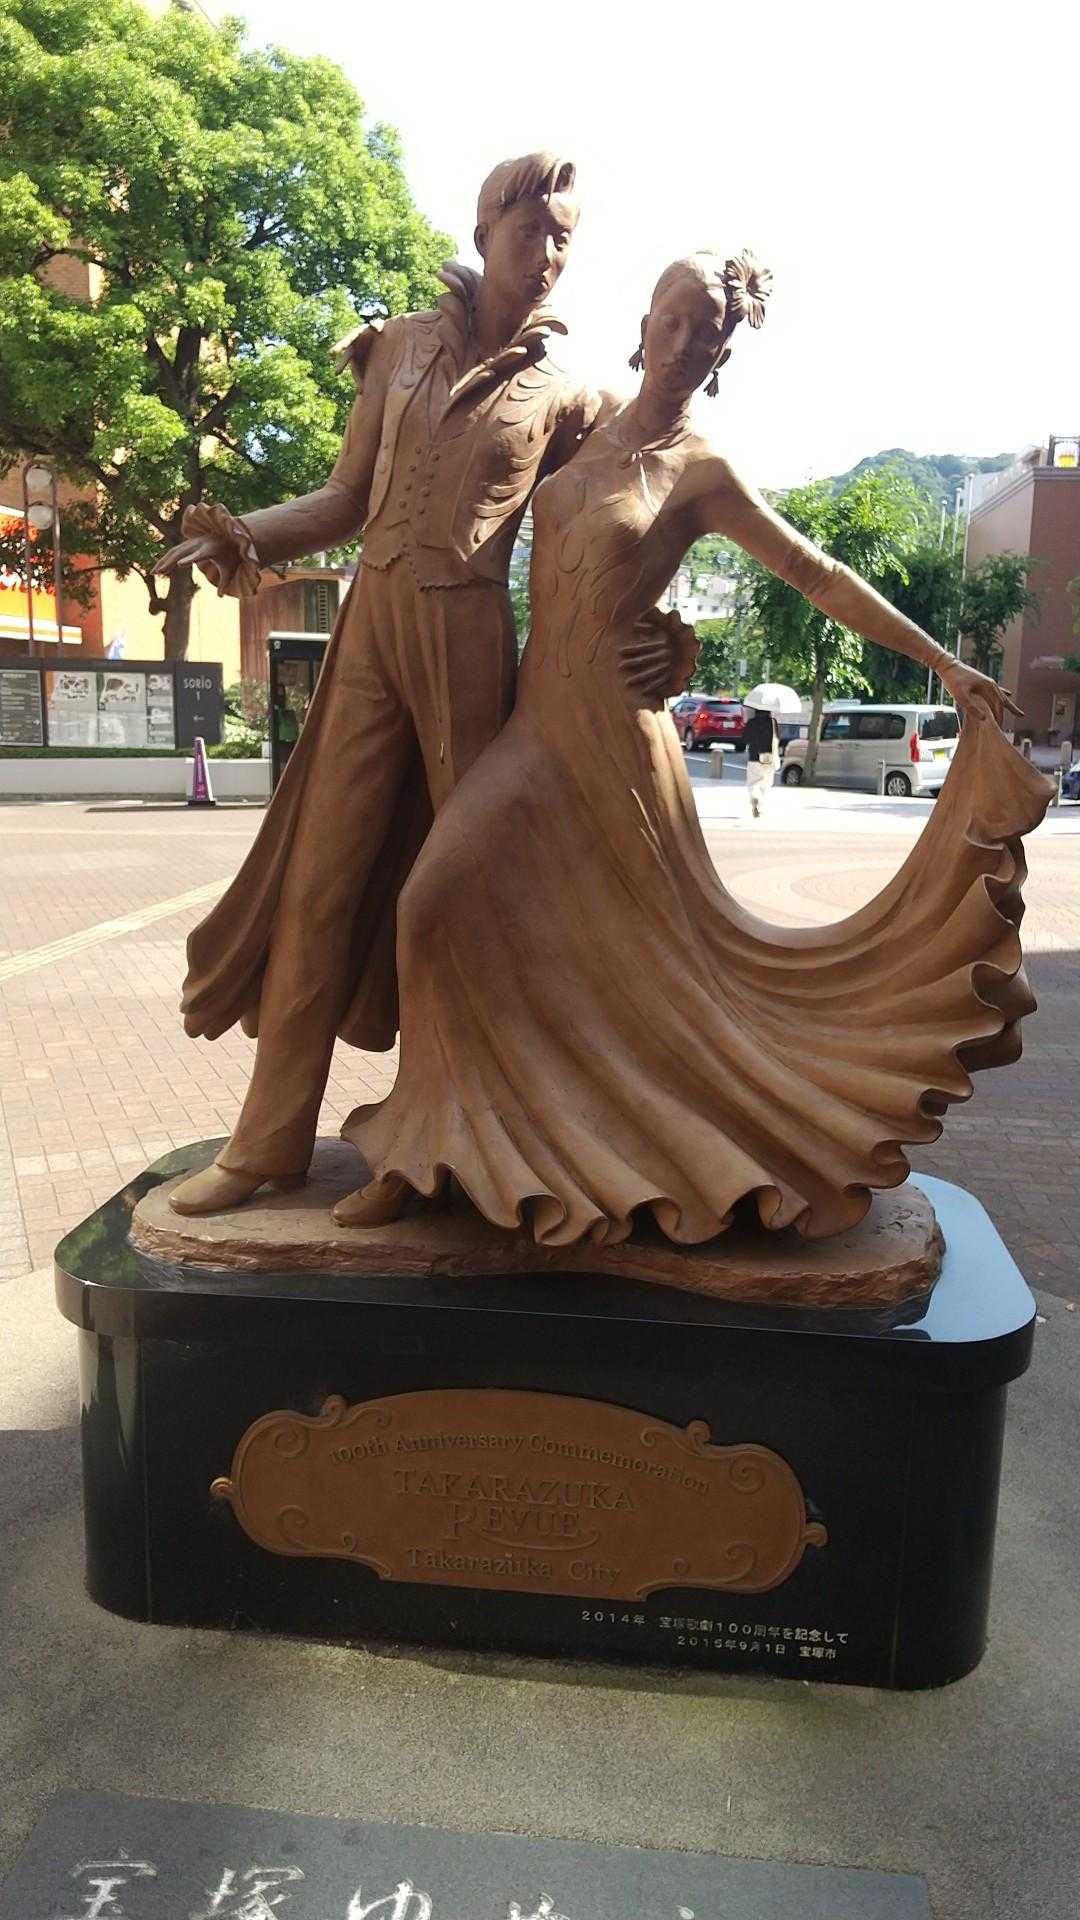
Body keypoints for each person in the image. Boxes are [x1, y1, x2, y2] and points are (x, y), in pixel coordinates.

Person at [338, 250, 1051, 1244]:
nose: (682, 344)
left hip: (621, 749)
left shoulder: (702, 470)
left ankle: (666, 1162)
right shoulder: (581, 425)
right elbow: (474, 468)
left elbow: (817, 574)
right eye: (671, 321)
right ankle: (431, 1151)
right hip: (536, 732)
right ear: (643, 325)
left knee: (659, 982)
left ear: (720, 356)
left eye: (705, 334)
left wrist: (943, 664)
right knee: (432, 909)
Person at [154, 153, 607, 1217]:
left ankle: (437, 1150)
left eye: (565, 238)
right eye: (533, 230)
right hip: (369, 631)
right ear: (486, 228)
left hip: (470, 639)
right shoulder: (400, 346)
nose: (548, 254)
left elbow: (624, 509)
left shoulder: (570, 395)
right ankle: (267, 1145)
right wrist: (242, 535)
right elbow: (346, 496)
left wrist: (648, 635)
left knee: (462, 899)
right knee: (319, 881)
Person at [742, 702, 778, 818]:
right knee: (765, 783)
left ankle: (754, 797)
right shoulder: (773, 722)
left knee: (753, 782)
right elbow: (777, 738)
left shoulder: (751, 722)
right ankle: (760, 805)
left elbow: (745, 739)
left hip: (754, 756)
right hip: (769, 757)